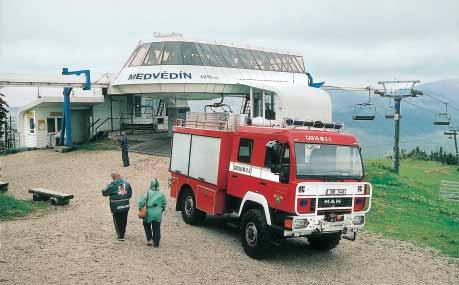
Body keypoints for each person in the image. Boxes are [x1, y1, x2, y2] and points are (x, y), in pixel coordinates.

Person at [102, 173, 132, 241]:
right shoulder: (126, 183)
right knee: (124, 219)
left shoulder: (112, 185)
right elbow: (130, 194)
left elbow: (104, 192)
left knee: (117, 220)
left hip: (116, 206)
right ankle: (123, 232)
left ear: (113, 178)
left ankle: (120, 235)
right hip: (125, 205)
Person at [138, 178, 166, 247]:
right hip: (158, 212)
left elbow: (141, 202)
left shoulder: (147, 193)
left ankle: (149, 239)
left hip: (149, 212)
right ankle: (156, 243)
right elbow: (164, 204)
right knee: (156, 228)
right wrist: (161, 210)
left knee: (146, 224)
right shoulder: (162, 194)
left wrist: (140, 209)